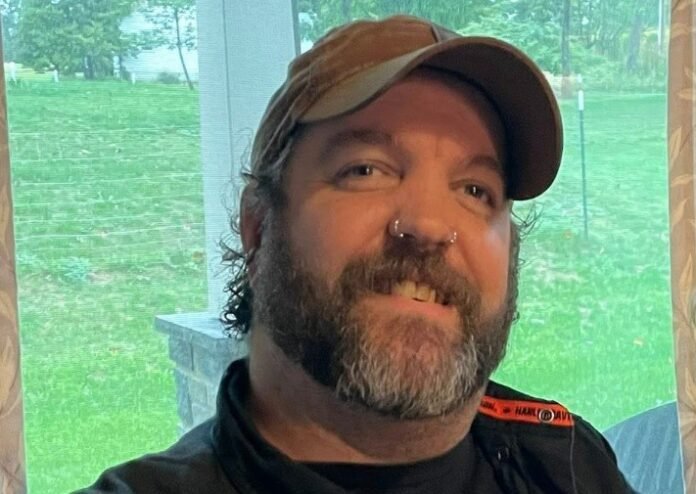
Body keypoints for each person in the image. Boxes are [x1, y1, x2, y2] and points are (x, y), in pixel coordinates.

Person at [77, 15, 636, 494]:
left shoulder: (570, 465)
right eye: (366, 170)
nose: (429, 225)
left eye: (475, 190)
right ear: (257, 227)